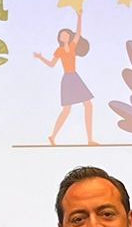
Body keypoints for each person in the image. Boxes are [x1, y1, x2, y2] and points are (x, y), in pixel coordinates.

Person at [35, 10, 99, 146]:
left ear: (69, 37)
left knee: (88, 105)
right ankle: (53, 136)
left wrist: (79, 16)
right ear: (60, 38)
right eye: (61, 35)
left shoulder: (72, 46)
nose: (63, 36)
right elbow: (51, 64)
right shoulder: (59, 51)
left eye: (65, 34)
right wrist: (40, 58)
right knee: (67, 109)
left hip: (75, 77)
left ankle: (90, 139)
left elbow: (78, 33)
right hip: (68, 79)